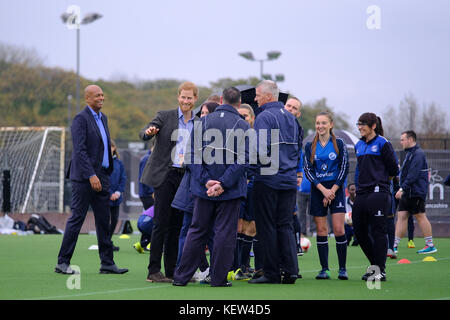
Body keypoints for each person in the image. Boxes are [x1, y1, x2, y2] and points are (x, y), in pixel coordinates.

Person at [172, 87, 250, 287]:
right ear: (239, 103)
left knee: (197, 230)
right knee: (224, 233)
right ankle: (218, 279)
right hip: (229, 190)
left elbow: (191, 156)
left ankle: (181, 278)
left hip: (203, 189)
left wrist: (206, 181)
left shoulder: (203, 121)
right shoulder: (243, 125)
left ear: (222, 100)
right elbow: (243, 160)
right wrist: (223, 183)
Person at [55, 84, 128, 275]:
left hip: (102, 175)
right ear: (87, 99)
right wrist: (91, 175)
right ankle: (62, 262)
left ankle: (107, 263)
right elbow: (79, 150)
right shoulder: (80, 119)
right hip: (84, 177)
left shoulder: (103, 118)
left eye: (103, 95)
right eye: (97, 96)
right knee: (77, 218)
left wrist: (103, 173)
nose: (101, 98)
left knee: (104, 220)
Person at [139, 81, 199, 283]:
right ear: (178, 97)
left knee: (176, 225)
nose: (186, 101)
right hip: (165, 175)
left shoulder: (199, 123)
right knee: (161, 223)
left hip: (185, 176)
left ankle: (172, 271)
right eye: (183, 97)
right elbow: (146, 131)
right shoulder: (164, 116)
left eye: (189, 98)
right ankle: (153, 271)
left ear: (195, 99)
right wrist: (149, 132)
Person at [248, 80, 303, 284]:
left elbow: (260, 152)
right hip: (288, 181)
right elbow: (298, 150)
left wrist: (249, 173)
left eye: (257, 95)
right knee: (285, 226)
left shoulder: (265, 116)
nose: (255, 98)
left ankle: (271, 273)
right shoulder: (292, 118)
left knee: (267, 227)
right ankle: (290, 271)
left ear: (268, 96)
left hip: (268, 180)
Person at [172, 101, 219, 281]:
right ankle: (182, 270)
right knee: (188, 231)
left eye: (207, 113)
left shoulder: (217, 135)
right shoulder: (197, 132)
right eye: (202, 113)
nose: (203, 116)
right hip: (194, 190)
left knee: (211, 234)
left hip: (208, 191)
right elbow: (189, 160)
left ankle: (211, 271)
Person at [303, 111, 350, 280]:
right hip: (318, 190)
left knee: (338, 229)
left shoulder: (339, 143)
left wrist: (333, 190)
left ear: (331, 125)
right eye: (318, 123)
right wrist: (323, 190)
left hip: (335, 189)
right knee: (322, 230)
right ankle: (325, 269)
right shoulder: (309, 146)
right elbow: (308, 170)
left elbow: (344, 168)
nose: (320, 126)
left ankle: (342, 269)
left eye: (324, 123)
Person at [353, 113, 398, 282]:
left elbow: (394, 169)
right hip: (362, 193)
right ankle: (375, 265)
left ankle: (380, 270)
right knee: (359, 231)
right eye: (358, 124)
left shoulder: (382, 143)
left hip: (379, 192)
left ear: (373, 126)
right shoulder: (358, 145)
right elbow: (359, 169)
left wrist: (382, 183)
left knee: (379, 231)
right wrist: (356, 187)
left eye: (363, 124)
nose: (360, 127)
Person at [394, 130, 437, 254]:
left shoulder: (418, 154)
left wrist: (402, 189)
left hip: (416, 192)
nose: (401, 142)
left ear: (410, 139)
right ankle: (394, 246)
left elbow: (413, 175)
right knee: (401, 216)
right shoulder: (409, 154)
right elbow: (405, 173)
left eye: (403, 139)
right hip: (408, 192)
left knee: (420, 216)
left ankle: (430, 245)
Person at [231, 103, 257, 280]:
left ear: (252, 118)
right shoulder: (231, 137)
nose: (242, 120)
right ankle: (237, 266)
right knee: (237, 226)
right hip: (237, 187)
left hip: (255, 186)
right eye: (238, 116)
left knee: (251, 227)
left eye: (245, 116)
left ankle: (245, 265)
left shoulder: (258, 137)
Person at [133, 148, 155, 253]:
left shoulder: (150, 158)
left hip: (148, 194)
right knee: (151, 218)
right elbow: (145, 177)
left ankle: (142, 243)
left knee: (150, 218)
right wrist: (152, 192)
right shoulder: (148, 158)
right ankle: (146, 243)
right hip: (148, 194)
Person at [108, 139, 127, 252]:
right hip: (105, 197)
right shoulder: (103, 163)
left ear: (114, 148)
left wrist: (117, 193)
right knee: (104, 221)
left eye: (111, 147)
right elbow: (102, 179)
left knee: (114, 220)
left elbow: (123, 179)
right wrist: (110, 193)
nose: (109, 149)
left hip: (116, 198)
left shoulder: (119, 163)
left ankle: (108, 241)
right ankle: (105, 242)